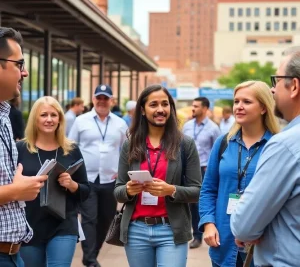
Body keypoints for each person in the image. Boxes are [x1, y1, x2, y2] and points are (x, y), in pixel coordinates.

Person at [114, 84, 201, 267]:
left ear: (171, 108)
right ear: (143, 110)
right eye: (153, 104)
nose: (160, 109)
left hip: (171, 230)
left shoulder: (185, 144)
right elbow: (118, 190)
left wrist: (171, 190)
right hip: (136, 230)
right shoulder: (130, 145)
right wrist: (128, 190)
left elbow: (197, 191)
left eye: (165, 104)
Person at [231, 50, 300, 267]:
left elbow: (244, 225)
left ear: (294, 87)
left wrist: (249, 228)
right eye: (236, 101)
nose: (273, 88)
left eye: (276, 80)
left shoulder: (285, 145)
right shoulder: (225, 143)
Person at [199, 81, 279, 267]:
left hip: (262, 245)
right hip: (223, 242)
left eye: (247, 102)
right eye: (236, 101)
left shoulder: (276, 146)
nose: (239, 107)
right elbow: (209, 189)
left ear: (263, 108)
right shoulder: (223, 143)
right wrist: (208, 224)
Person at [17, 96, 90, 267]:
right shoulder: (21, 149)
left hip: (63, 224)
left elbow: (86, 191)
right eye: (43, 115)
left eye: (54, 115)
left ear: (60, 119)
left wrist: (72, 185)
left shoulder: (71, 150)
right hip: (30, 225)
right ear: (35, 118)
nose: (49, 119)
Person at [0, 27, 47, 266]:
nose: (25, 72)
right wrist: (14, 192)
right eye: (19, 64)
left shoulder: (5, 115)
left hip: (13, 254)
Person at [68, 84, 128, 267]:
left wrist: (123, 170)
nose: (102, 101)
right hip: (87, 179)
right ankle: (91, 258)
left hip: (110, 179)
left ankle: (91, 254)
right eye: (99, 97)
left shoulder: (120, 123)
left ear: (111, 100)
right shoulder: (81, 121)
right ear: (93, 99)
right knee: (89, 218)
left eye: (105, 98)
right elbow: (71, 146)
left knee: (107, 219)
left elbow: (127, 150)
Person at [182, 97, 220, 249]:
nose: (193, 108)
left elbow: (217, 152)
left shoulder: (213, 128)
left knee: (200, 203)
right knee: (189, 203)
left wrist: (211, 171)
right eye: (192, 105)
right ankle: (192, 232)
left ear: (205, 109)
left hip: (203, 170)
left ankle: (199, 235)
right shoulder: (187, 126)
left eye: (196, 106)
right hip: (186, 170)